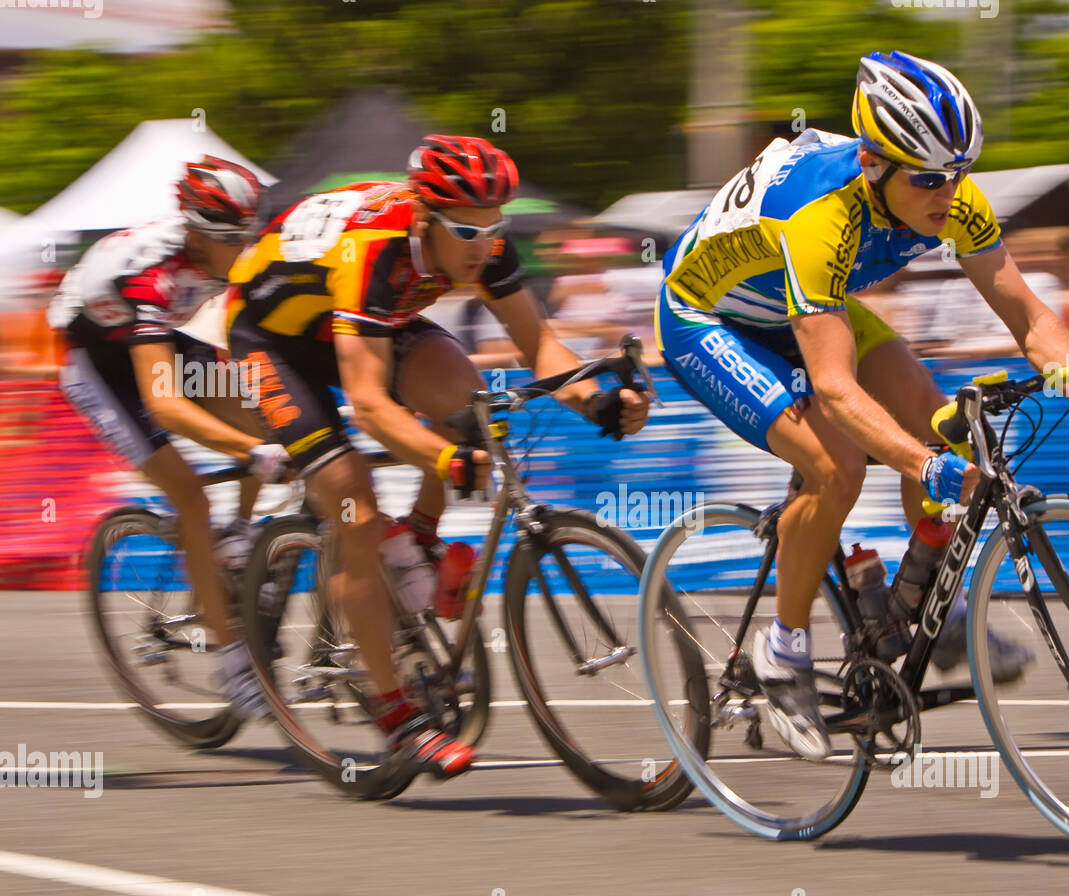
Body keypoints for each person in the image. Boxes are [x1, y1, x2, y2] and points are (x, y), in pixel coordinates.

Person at [655, 50, 1069, 760]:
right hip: (708, 317)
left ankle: (925, 606)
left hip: (803, 305)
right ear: (871, 162)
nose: (947, 194)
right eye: (927, 178)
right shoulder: (820, 218)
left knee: (937, 419)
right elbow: (834, 387)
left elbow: (1028, 319)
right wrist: (927, 468)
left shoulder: (951, 196)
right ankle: (783, 651)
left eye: (958, 173)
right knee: (838, 464)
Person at [226, 135, 649, 776]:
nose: (483, 247)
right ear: (424, 218)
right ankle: (397, 718)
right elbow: (367, 403)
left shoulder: (483, 242)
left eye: (493, 229)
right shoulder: (374, 251)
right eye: (465, 232)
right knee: (355, 507)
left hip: (365, 323)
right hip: (272, 337)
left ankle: (420, 542)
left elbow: (539, 344)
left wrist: (597, 400)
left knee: (473, 409)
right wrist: (443, 461)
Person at [50, 155, 279, 720]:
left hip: (155, 341)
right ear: (196, 233)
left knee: (268, 408)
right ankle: (231, 662)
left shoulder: (225, 252)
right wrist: (250, 452)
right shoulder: (153, 270)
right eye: (231, 239)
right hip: (98, 364)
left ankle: (239, 535)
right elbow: (165, 404)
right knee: (192, 495)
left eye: (248, 236)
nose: (242, 250)